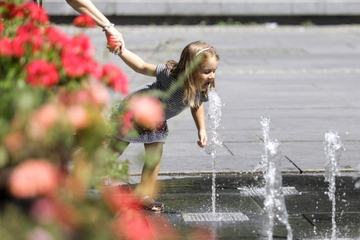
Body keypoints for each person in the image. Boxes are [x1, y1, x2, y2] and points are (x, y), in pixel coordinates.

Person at [108, 37, 219, 212]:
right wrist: (121, 50)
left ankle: (145, 195)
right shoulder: (170, 75)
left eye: (214, 71)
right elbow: (142, 66)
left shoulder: (201, 86)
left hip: (156, 119)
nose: (211, 76)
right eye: (206, 71)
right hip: (137, 109)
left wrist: (202, 129)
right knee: (115, 149)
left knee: (154, 157)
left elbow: (197, 104)